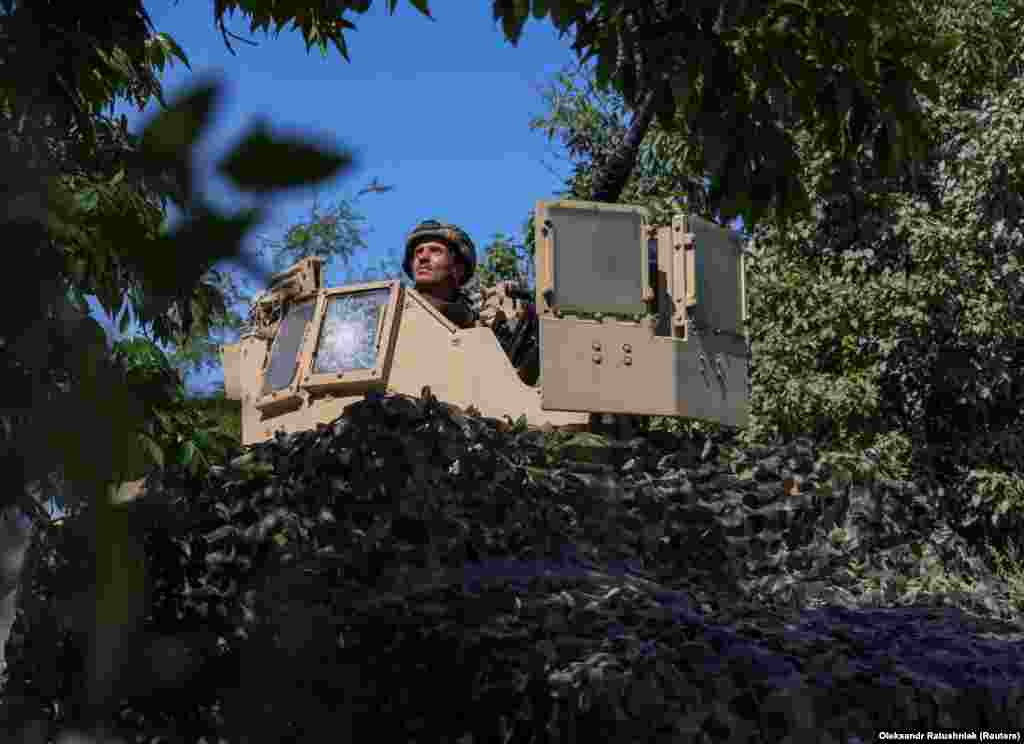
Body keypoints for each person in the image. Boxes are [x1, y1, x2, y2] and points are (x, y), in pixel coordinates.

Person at [402, 219, 540, 385]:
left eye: (435, 251)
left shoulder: (482, 325)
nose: (423, 257)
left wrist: (524, 316)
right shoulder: (393, 317)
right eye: (418, 252)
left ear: (458, 267)